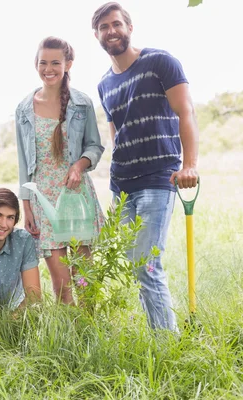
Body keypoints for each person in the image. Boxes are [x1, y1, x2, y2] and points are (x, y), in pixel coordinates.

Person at [92, 2, 199, 330]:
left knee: (145, 264)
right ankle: (161, 331)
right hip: (122, 186)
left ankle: (166, 344)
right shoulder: (104, 84)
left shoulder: (159, 62)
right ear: (96, 35)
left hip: (158, 177)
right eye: (104, 27)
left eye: (116, 24)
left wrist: (190, 165)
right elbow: (116, 133)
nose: (111, 31)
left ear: (129, 27)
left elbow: (186, 112)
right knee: (134, 264)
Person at [16, 37, 105, 305]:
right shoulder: (23, 109)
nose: (49, 68)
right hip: (43, 200)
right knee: (61, 284)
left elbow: (95, 146)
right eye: (43, 62)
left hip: (75, 199)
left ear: (68, 64)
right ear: (36, 64)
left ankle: (91, 334)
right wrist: (27, 206)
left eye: (56, 62)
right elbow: (23, 162)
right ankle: (71, 341)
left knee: (84, 277)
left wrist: (80, 165)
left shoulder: (81, 103)